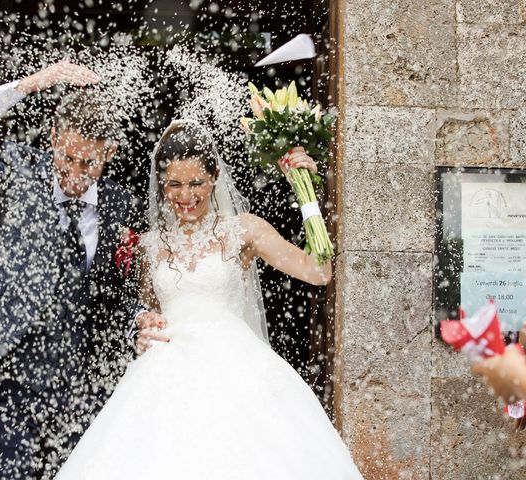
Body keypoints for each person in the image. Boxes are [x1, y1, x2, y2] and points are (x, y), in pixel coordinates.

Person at [55, 120, 363, 479]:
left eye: (196, 183)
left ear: (214, 175)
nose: (186, 196)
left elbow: (318, 272)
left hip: (238, 370)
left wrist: (306, 192)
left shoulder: (243, 230)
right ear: (162, 183)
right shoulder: (149, 245)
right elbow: (142, 311)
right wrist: (141, 326)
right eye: (175, 185)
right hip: (165, 379)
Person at [0, 60, 150, 479]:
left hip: (79, 386)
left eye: (90, 164)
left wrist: (137, 317)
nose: (75, 174)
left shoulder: (121, 206)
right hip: (6, 376)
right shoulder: (14, 173)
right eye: (67, 157)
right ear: (51, 138)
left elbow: (109, 294)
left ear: (111, 154)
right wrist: (30, 84)